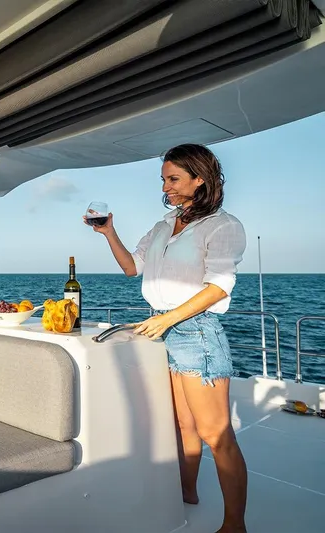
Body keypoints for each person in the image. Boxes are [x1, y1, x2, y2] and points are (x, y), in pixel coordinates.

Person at [85, 144, 248, 533]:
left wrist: (169, 319)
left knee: (215, 433)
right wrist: (109, 232)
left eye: (173, 179)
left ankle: (234, 524)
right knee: (182, 425)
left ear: (200, 179)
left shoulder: (223, 226)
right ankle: (186, 492)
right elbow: (131, 267)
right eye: (163, 179)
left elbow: (220, 287)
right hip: (163, 328)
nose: (166, 186)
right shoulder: (162, 225)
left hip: (196, 334)